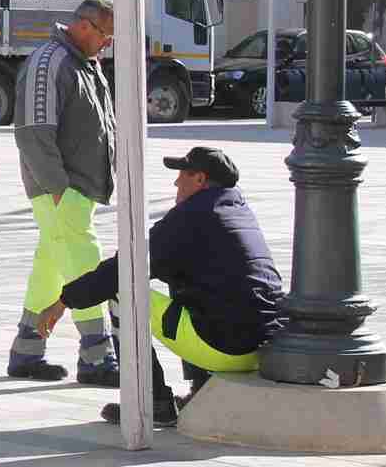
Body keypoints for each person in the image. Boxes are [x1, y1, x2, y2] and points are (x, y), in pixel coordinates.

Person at [61, 147, 284, 428]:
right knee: (202, 288)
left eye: (182, 174)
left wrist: (64, 301)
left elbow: (125, 268)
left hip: (228, 350)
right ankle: (201, 390)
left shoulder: (190, 217)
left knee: (122, 291)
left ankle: (152, 402)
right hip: (264, 348)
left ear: (200, 179)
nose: (176, 183)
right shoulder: (239, 212)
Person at [9, 0, 119, 386]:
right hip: (61, 187)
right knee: (84, 263)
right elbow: (33, 131)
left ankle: (26, 349)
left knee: (52, 266)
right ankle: (97, 354)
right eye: (106, 35)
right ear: (85, 26)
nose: (107, 43)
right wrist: (57, 187)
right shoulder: (50, 60)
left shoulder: (84, 62)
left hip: (76, 188)